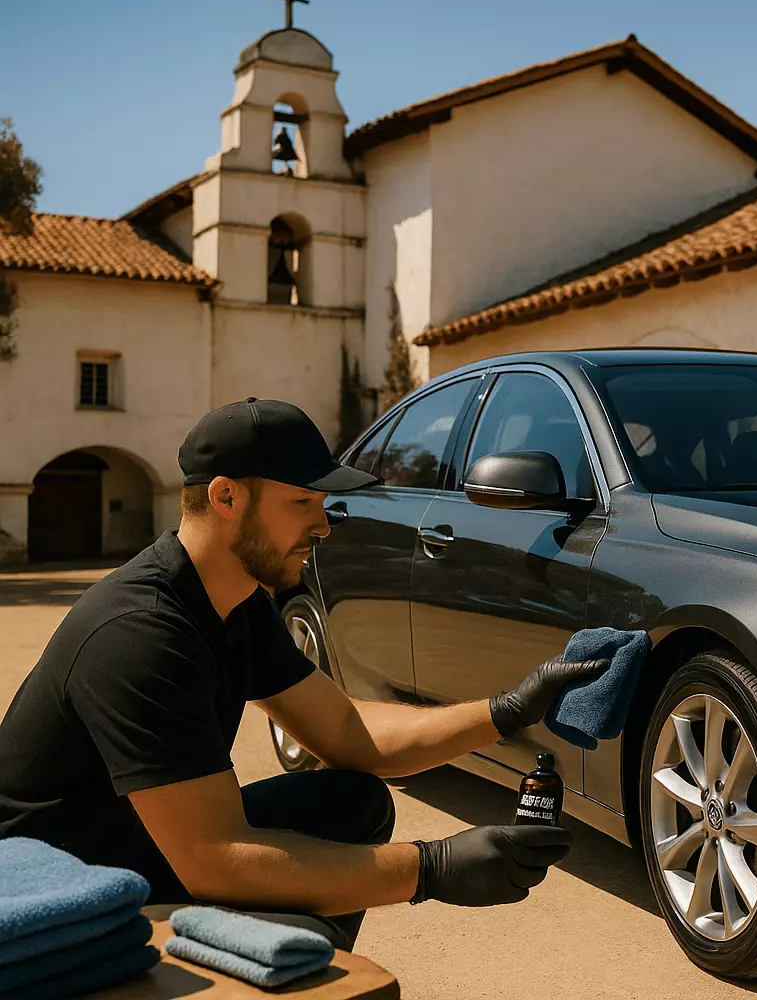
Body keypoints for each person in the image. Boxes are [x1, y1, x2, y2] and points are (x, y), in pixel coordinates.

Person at [0, 398, 609, 948]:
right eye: (302, 503)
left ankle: (300, 970)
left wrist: (509, 710)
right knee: (290, 881)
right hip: (61, 886)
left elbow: (345, 731)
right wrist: (432, 868)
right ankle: (293, 972)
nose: (321, 526)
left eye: (323, 506)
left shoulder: (233, 601)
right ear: (225, 497)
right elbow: (215, 859)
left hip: (140, 848)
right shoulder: (139, 632)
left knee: (352, 803)